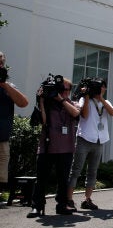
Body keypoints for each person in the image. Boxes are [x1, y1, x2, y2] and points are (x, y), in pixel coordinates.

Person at [27, 77, 80, 218]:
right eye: (60, 89)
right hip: (47, 146)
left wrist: (60, 99)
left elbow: (76, 114)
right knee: (41, 178)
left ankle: (62, 205)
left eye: (66, 90)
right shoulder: (49, 103)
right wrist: (42, 102)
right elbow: (43, 122)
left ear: (69, 91)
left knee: (63, 179)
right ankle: (37, 207)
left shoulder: (72, 103)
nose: (63, 92)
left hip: (66, 148)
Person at [66, 78, 113, 211]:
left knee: (92, 172)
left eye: (104, 87)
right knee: (76, 170)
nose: (103, 90)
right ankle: (69, 199)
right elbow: (85, 115)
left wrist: (102, 100)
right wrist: (87, 96)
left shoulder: (106, 102)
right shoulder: (84, 99)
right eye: (101, 87)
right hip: (84, 138)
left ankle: (87, 200)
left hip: (99, 140)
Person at [0, 51, 29, 199]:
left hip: (2, 140)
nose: (0, 65)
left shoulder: (7, 86)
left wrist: (4, 85)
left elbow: (23, 103)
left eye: (1, 63)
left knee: (1, 178)